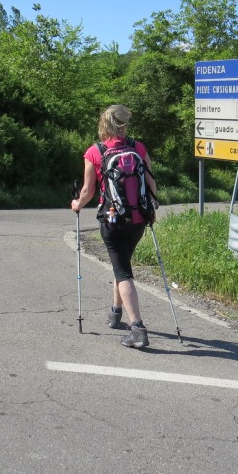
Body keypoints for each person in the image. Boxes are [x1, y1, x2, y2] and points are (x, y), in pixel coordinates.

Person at [71, 105, 158, 349]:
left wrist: (77, 204)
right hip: (138, 220)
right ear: (124, 124)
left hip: (112, 222)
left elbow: (87, 191)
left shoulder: (95, 152)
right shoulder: (138, 147)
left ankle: (137, 329)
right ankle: (115, 312)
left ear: (104, 123)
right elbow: (151, 182)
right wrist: (152, 209)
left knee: (123, 272)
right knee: (122, 266)